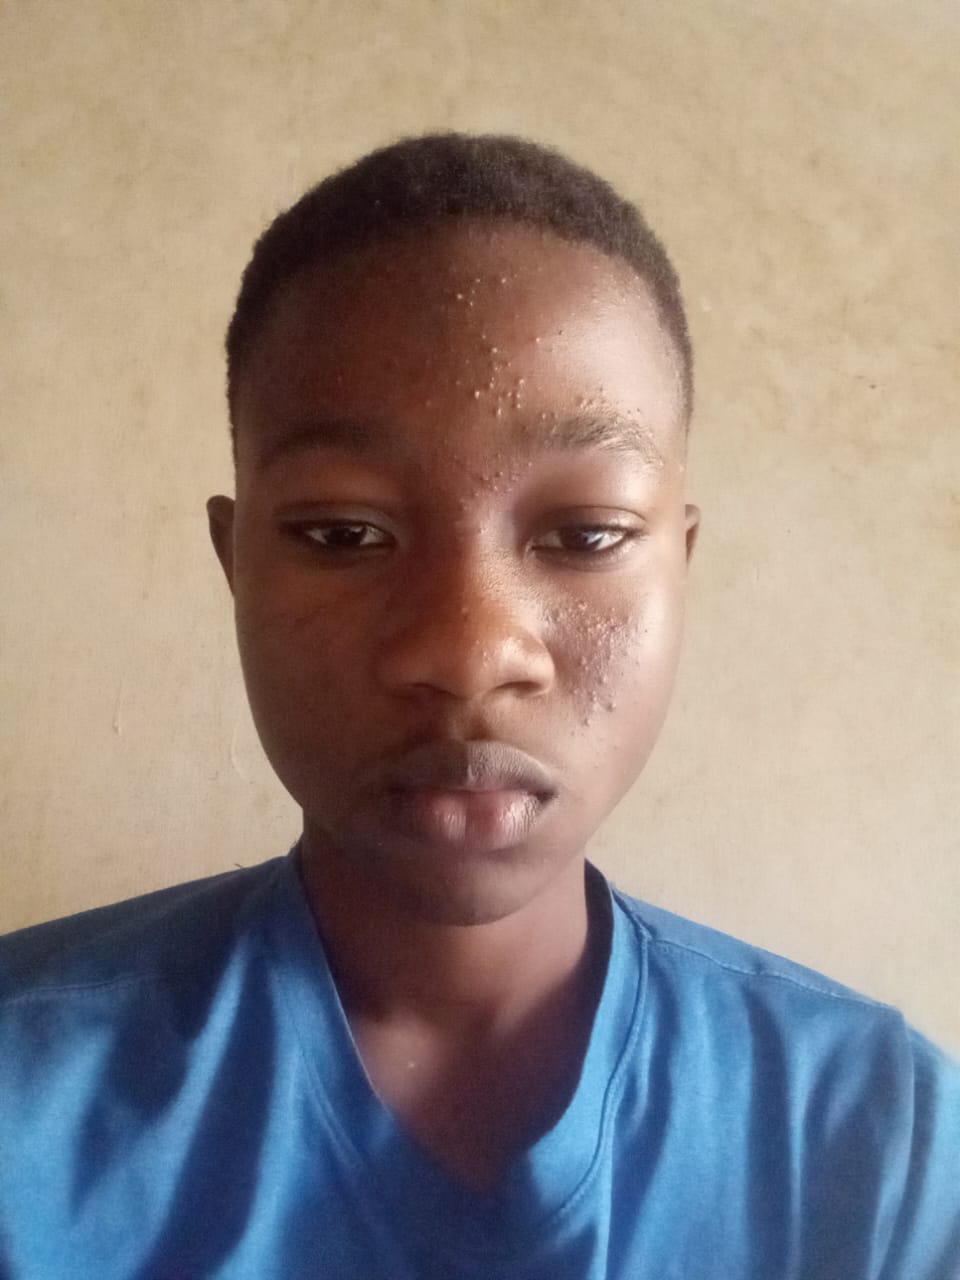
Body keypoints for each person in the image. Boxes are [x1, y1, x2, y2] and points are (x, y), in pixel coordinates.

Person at [0, 133, 957, 1280]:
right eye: (344, 534)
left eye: (585, 535)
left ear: (681, 563)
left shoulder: (878, 1145)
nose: (467, 653)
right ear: (234, 560)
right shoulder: (25, 1106)